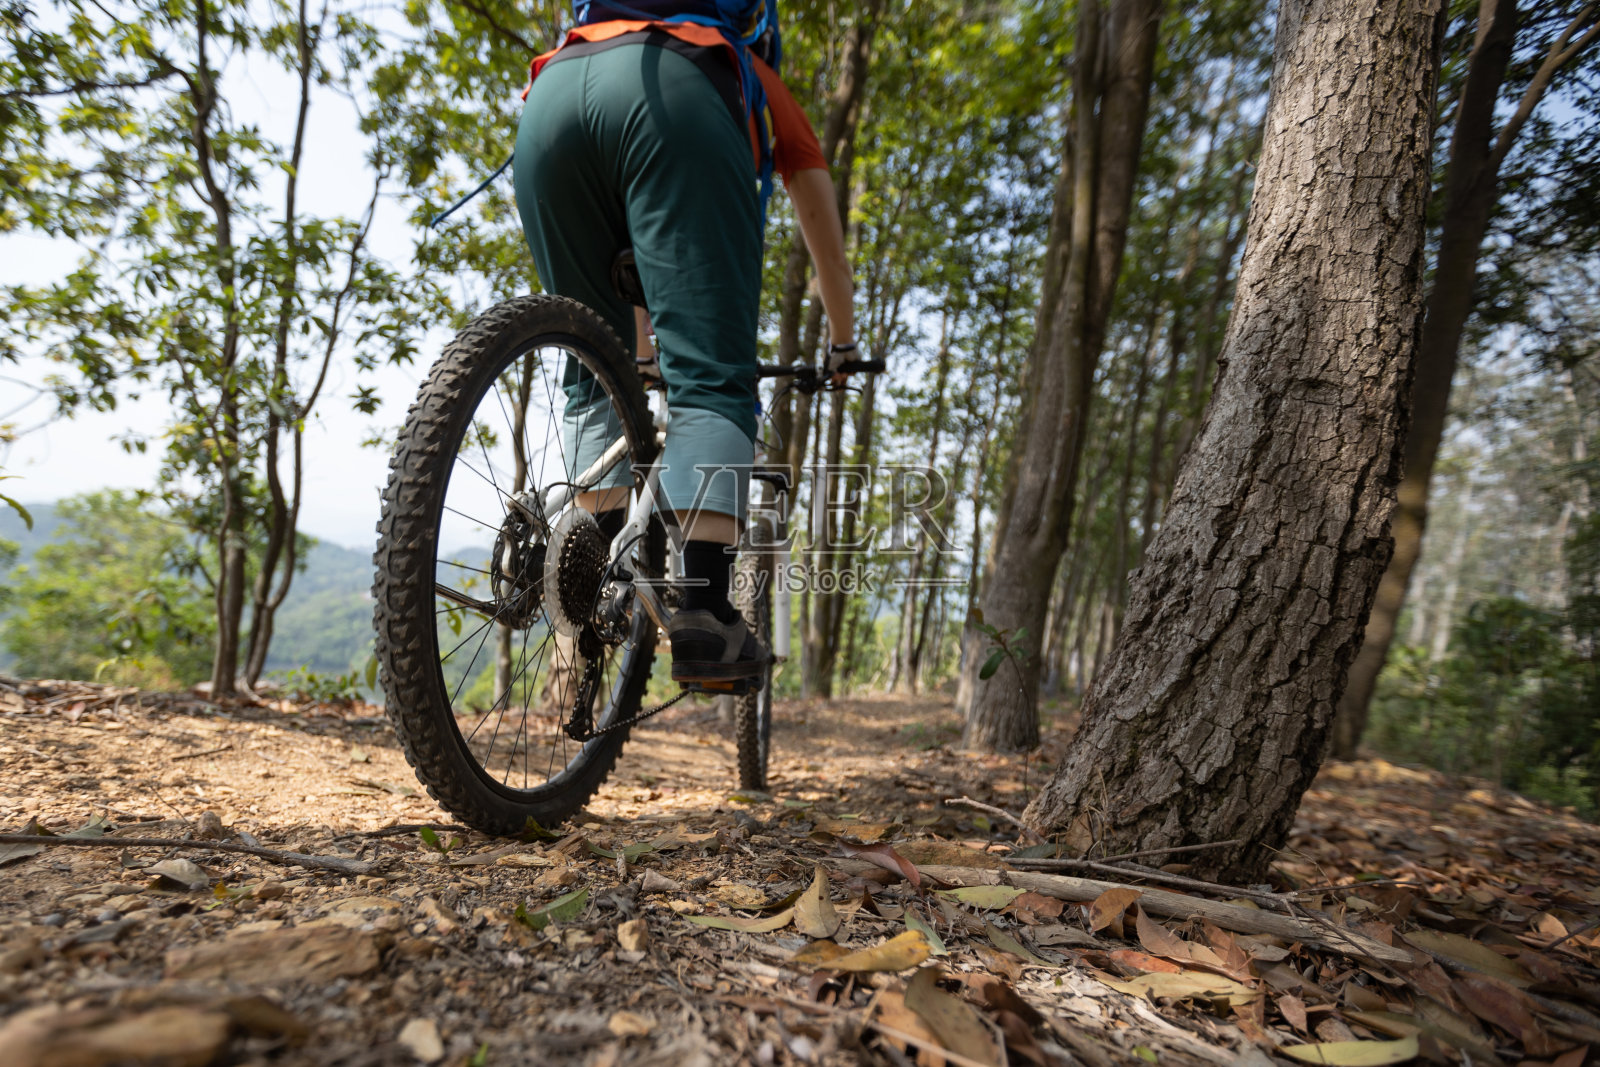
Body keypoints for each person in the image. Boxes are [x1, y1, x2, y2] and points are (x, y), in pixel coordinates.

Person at [512, 10, 857, 687]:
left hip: (548, 102)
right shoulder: (741, 64)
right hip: (676, 97)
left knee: (594, 374)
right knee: (712, 380)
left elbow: (632, 256)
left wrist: (638, 354)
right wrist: (843, 342)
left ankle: (590, 580)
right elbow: (819, 217)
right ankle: (705, 617)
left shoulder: (591, 32)